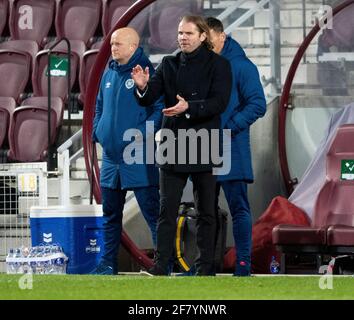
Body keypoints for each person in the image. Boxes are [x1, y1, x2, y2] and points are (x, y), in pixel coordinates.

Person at [132, 15, 232, 276]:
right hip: (172, 144)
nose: (182, 38)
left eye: (188, 33)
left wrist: (190, 108)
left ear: (202, 36)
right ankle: (161, 266)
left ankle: (205, 268)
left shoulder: (220, 65)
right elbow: (148, 97)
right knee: (166, 210)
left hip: (204, 143)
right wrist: (142, 88)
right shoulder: (168, 64)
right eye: (179, 33)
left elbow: (219, 103)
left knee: (206, 211)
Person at [91, 27, 163, 275]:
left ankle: (164, 264)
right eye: (112, 43)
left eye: (118, 44)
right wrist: (97, 131)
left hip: (139, 155)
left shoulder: (146, 72)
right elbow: (99, 106)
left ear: (133, 47)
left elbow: (159, 110)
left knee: (151, 212)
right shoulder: (108, 72)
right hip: (111, 158)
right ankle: (107, 264)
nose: (113, 47)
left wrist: (142, 135)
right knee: (110, 215)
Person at [206, 17, 266, 276]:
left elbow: (258, 104)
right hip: (203, 146)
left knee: (238, 206)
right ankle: (205, 266)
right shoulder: (202, 65)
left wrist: (229, 127)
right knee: (205, 209)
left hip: (231, 146)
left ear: (222, 36)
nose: (205, 43)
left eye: (208, 38)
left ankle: (243, 264)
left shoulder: (242, 66)